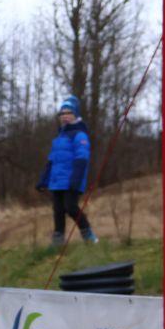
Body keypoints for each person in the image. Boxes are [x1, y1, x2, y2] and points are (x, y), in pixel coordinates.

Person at [36, 95, 98, 246]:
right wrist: (43, 180)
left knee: (71, 207)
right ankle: (58, 241)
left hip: (71, 180)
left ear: (75, 115)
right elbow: (52, 161)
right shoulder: (59, 137)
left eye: (69, 113)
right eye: (62, 113)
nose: (65, 116)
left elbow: (82, 158)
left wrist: (76, 180)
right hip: (57, 181)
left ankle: (88, 235)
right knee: (58, 210)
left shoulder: (80, 135)